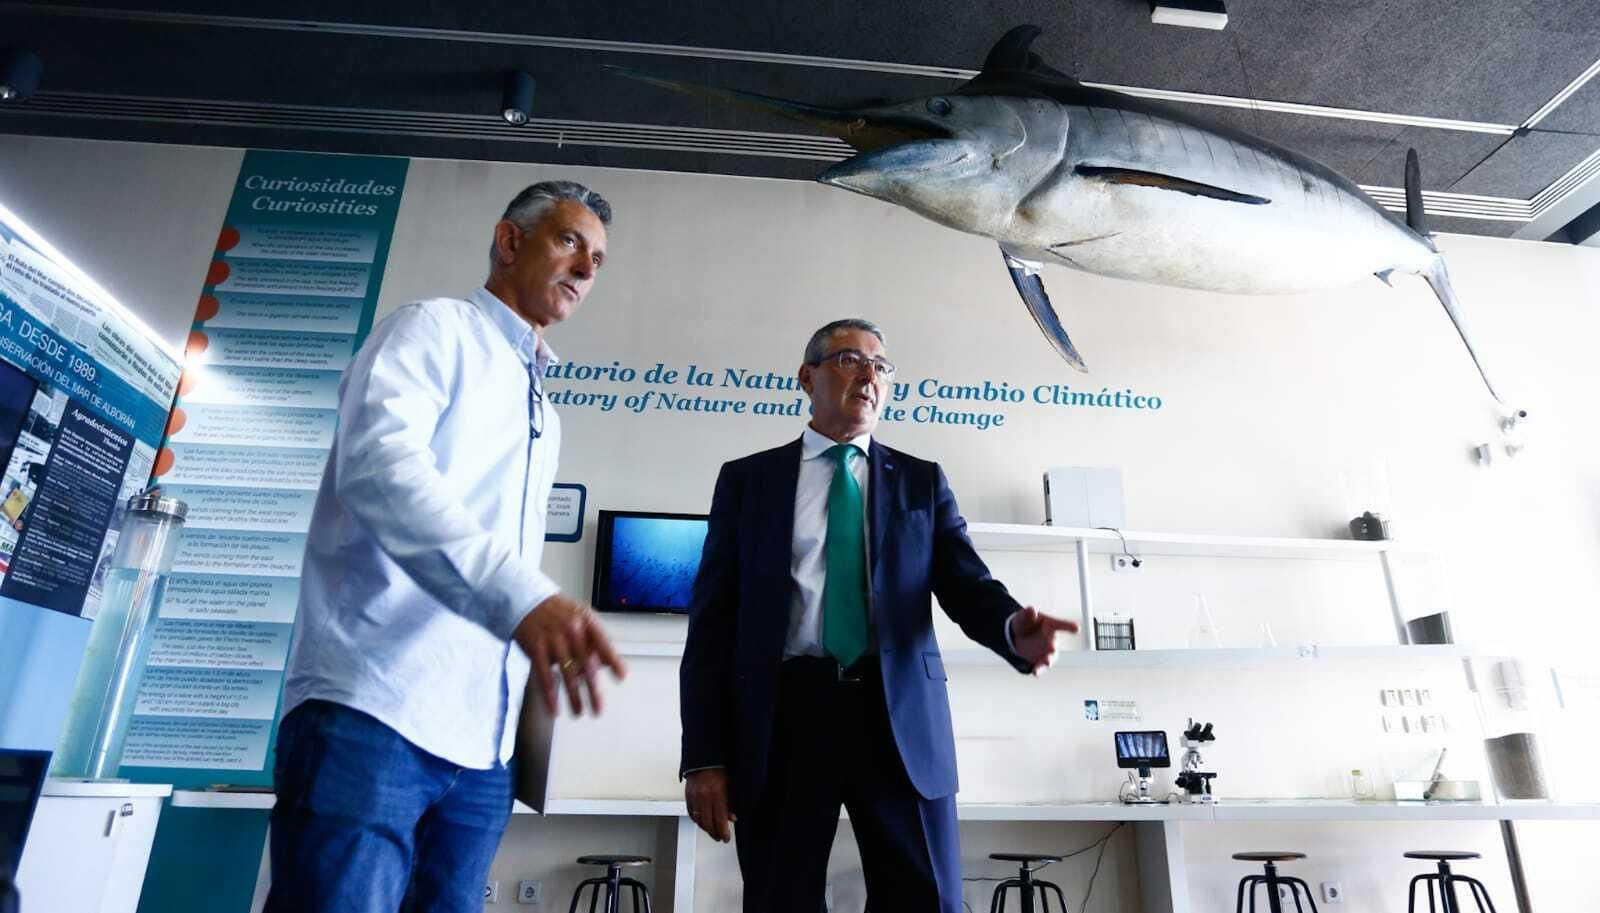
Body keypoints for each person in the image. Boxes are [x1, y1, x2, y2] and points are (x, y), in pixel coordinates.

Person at [266, 181, 628, 913]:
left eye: (597, 258)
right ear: (509, 241)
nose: (587, 269)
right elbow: (380, 469)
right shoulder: (431, 329)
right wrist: (522, 596)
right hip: (375, 709)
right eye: (569, 242)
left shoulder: (544, 411)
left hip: (482, 751)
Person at [680, 318, 1079, 913]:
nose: (869, 375)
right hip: (784, 717)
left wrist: (1009, 627)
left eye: (881, 366)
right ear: (806, 377)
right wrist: (704, 757)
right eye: (848, 359)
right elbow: (712, 624)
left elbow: (966, 582)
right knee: (779, 901)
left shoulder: (920, 481)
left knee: (926, 901)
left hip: (897, 721)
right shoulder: (748, 482)